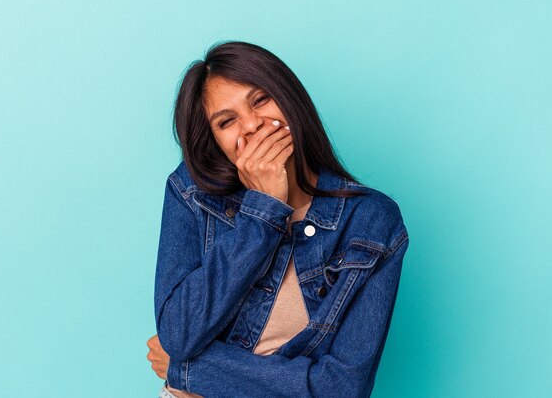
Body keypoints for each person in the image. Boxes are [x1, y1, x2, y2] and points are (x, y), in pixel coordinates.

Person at [146, 41, 409, 398]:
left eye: (260, 100)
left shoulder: (372, 222)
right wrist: (263, 210)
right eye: (227, 121)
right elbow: (178, 334)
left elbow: (342, 389)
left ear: (289, 98)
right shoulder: (192, 192)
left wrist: (189, 369)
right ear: (216, 141)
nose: (252, 125)